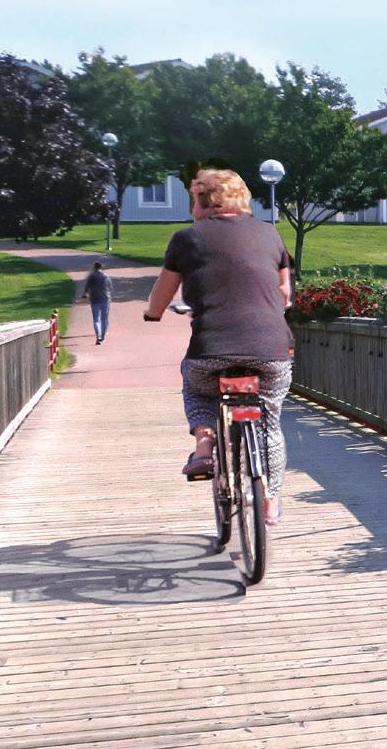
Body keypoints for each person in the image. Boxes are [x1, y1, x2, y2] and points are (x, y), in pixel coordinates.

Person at [142, 169, 295, 525]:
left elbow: (162, 293)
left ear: (202, 202)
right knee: (270, 421)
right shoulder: (270, 234)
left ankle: (203, 446)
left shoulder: (186, 238)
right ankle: (270, 500)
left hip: (211, 350)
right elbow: (285, 294)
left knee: (196, 387)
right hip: (270, 350)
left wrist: (153, 314)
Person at [83, 261, 112, 344]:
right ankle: (103, 336)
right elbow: (110, 287)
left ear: (94, 267)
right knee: (104, 318)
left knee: (96, 319)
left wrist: (85, 294)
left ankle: (97, 336)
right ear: (101, 267)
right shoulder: (106, 276)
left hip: (94, 299)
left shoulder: (91, 276)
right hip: (105, 299)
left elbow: (87, 287)